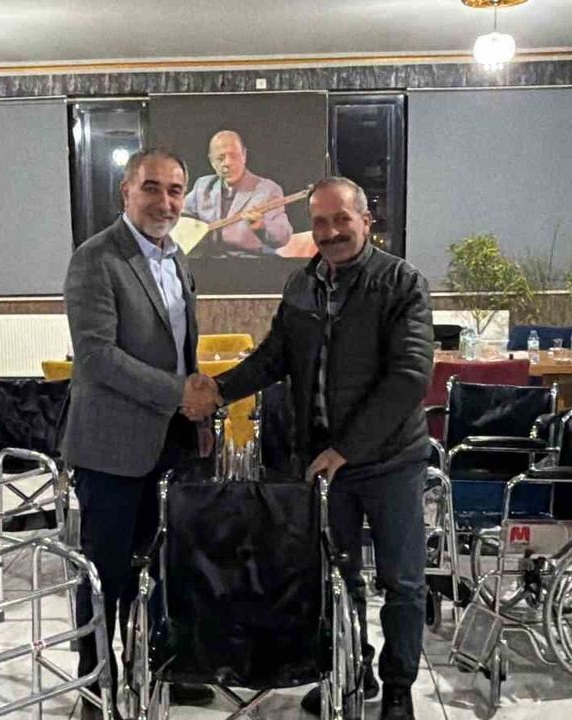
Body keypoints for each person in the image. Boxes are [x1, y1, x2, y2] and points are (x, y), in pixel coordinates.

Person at [196, 177, 435, 719]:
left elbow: (408, 379)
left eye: (341, 219)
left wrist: (345, 449)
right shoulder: (301, 285)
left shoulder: (402, 283)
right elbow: (272, 358)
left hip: (390, 462)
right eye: (320, 222)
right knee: (338, 578)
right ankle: (355, 669)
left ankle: (398, 688)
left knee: (401, 582)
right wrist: (217, 391)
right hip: (325, 464)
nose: (330, 232)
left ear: (365, 221)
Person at [62, 147, 218, 719]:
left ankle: (158, 666)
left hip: (172, 442)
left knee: (163, 564)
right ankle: (95, 682)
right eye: (151, 187)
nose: (165, 201)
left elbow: (181, 353)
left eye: (175, 190)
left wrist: (197, 415)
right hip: (112, 446)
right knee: (107, 570)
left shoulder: (177, 259)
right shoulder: (96, 259)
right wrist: (179, 393)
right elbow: (97, 357)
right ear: (126, 192)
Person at [183, 130, 293, 254]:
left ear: (244, 156)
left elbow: (283, 236)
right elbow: (179, 218)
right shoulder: (203, 186)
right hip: (208, 261)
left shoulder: (268, 190)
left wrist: (262, 226)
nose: (227, 163)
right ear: (212, 161)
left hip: (252, 262)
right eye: (220, 158)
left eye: (233, 156)